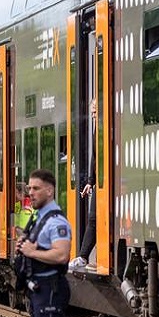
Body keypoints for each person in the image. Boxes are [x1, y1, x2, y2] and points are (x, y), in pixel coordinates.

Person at [16, 169, 71, 317]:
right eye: (29, 188)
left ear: (49, 190)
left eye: (36, 188)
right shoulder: (38, 218)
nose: (30, 192)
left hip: (50, 289)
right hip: (38, 290)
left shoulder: (56, 221)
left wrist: (31, 252)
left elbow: (61, 254)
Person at [70, 98, 97, 272]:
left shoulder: (103, 128)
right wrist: (90, 182)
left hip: (104, 185)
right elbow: (95, 158)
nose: (93, 114)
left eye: (95, 111)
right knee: (93, 219)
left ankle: (84, 256)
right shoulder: (98, 129)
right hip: (99, 184)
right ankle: (84, 256)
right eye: (92, 111)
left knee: (94, 219)